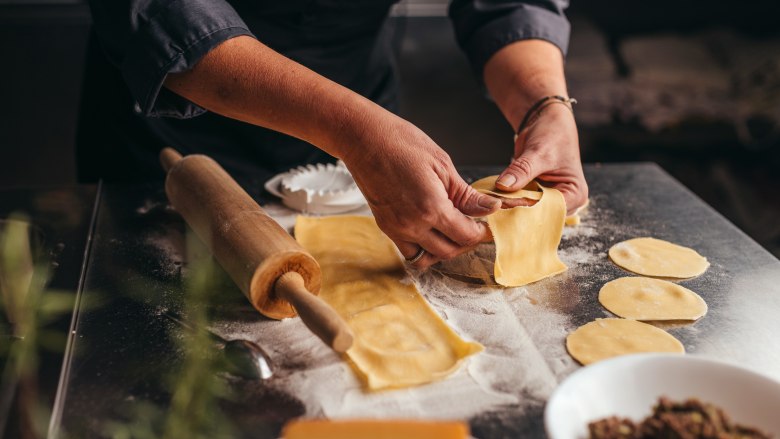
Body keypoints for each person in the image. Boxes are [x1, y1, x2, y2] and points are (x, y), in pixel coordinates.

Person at [77, 0, 588, 269]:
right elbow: (164, 12)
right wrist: (354, 132)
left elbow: (508, 4)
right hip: (175, 126)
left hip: (369, 119)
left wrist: (544, 103)